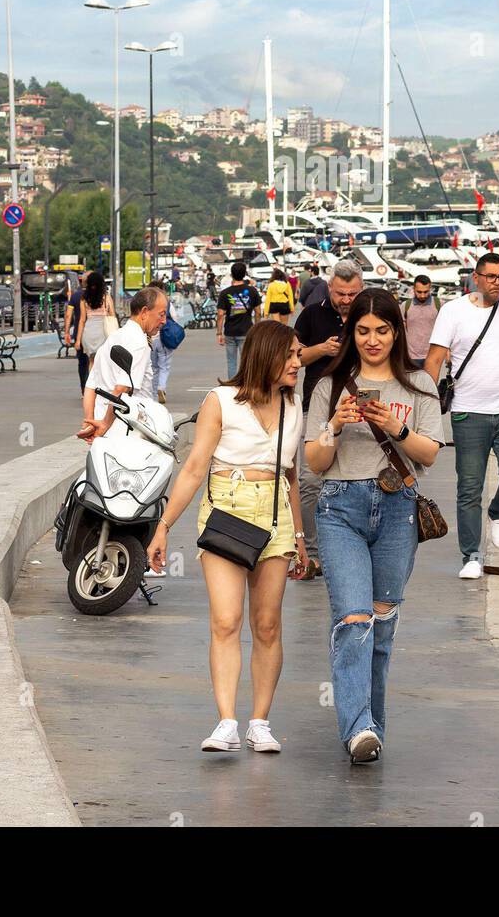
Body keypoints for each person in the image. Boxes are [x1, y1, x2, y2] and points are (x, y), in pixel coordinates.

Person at [146, 321, 308, 753]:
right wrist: (163, 527)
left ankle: (260, 721)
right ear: (266, 356)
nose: (297, 362)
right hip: (225, 510)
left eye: (298, 355)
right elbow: (196, 466)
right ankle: (226, 721)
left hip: (276, 518)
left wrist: (302, 536)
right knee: (225, 620)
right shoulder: (220, 401)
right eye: (290, 355)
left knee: (268, 624)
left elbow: (291, 474)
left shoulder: (295, 408)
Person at [303, 289, 443, 764]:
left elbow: (429, 456)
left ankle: (370, 728)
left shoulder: (420, 385)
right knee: (353, 619)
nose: (372, 340)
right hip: (341, 506)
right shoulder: (329, 387)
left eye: (382, 330)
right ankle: (358, 727)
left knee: (381, 626)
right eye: (363, 331)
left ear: (397, 331)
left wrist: (396, 428)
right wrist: (336, 427)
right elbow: (315, 462)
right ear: (351, 333)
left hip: (398, 509)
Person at [425, 253, 499, 579]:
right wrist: (422, 407)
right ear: (475, 278)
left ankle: (497, 513)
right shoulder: (453, 311)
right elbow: (434, 360)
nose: (497, 282)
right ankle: (471, 555)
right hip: (468, 412)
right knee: (468, 487)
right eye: (490, 276)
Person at [292, 258, 365, 579]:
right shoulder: (312, 314)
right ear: (329, 288)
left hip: (360, 410)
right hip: (318, 412)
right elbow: (294, 357)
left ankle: (354, 547)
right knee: (310, 479)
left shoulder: (370, 314)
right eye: (340, 294)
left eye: (352, 294)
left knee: (358, 477)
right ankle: (314, 553)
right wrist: (321, 349)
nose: (346, 300)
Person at [79, 285, 168, 441]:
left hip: (105, 427)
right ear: (145, 312)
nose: (164, 321)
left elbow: (90, 386)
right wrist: (104, 425)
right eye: (161, 315)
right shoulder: (139, 343)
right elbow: (122, 389)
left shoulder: (113, 338)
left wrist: (91, 423)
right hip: (128, 430)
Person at [216, 262, 261, 380]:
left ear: (231, 275)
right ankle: (246, 383)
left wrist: (219, 333)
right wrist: (256, 328)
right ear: (244, 274)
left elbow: (220, 314)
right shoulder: (252, 291)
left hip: (230, 331)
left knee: (231, 362)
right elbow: (258, 312)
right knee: (246, 360)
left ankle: (232, 385)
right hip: (246, 330)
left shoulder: (225, 293)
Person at [74, 271, 113, 393]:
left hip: (89, 332)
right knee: (104, 361)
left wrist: (78, 340)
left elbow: (81, 320)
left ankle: (92, 388)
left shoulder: (84, 299)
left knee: (91, 361)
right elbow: (112, 315)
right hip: (103, 331)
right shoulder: (106, 297)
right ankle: (103, 388)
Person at [402, 274, 442, 363]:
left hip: (433, 356)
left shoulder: (439, 304)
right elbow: (401, 329)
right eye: (419, 292)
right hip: (411, 356)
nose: (423, 295)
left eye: (426, 292)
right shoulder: (405, 306)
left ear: (430, 288)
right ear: (413, 289)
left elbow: (446, 329)